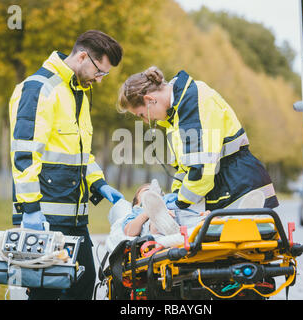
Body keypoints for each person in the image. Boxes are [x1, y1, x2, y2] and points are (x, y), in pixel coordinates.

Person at [9, 30, 124, 300]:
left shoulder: (78, 92)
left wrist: (100, 184)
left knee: (83, 285)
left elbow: (79, 154)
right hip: (44, 215)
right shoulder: (40, 88)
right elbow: (25, 154)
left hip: (74, 214)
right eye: (100, 71)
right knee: (47, 291)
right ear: (82, 56)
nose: (100, 79)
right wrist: (30, 210)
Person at [117, 66, 279, 214]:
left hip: (241, 186)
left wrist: (180, 202)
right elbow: (185, 168)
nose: (146, 121)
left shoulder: (192, 102)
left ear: (149, 99)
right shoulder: (176, 115)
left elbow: (201, 168)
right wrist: (176, 194)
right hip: (230, 187)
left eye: (142, 115)